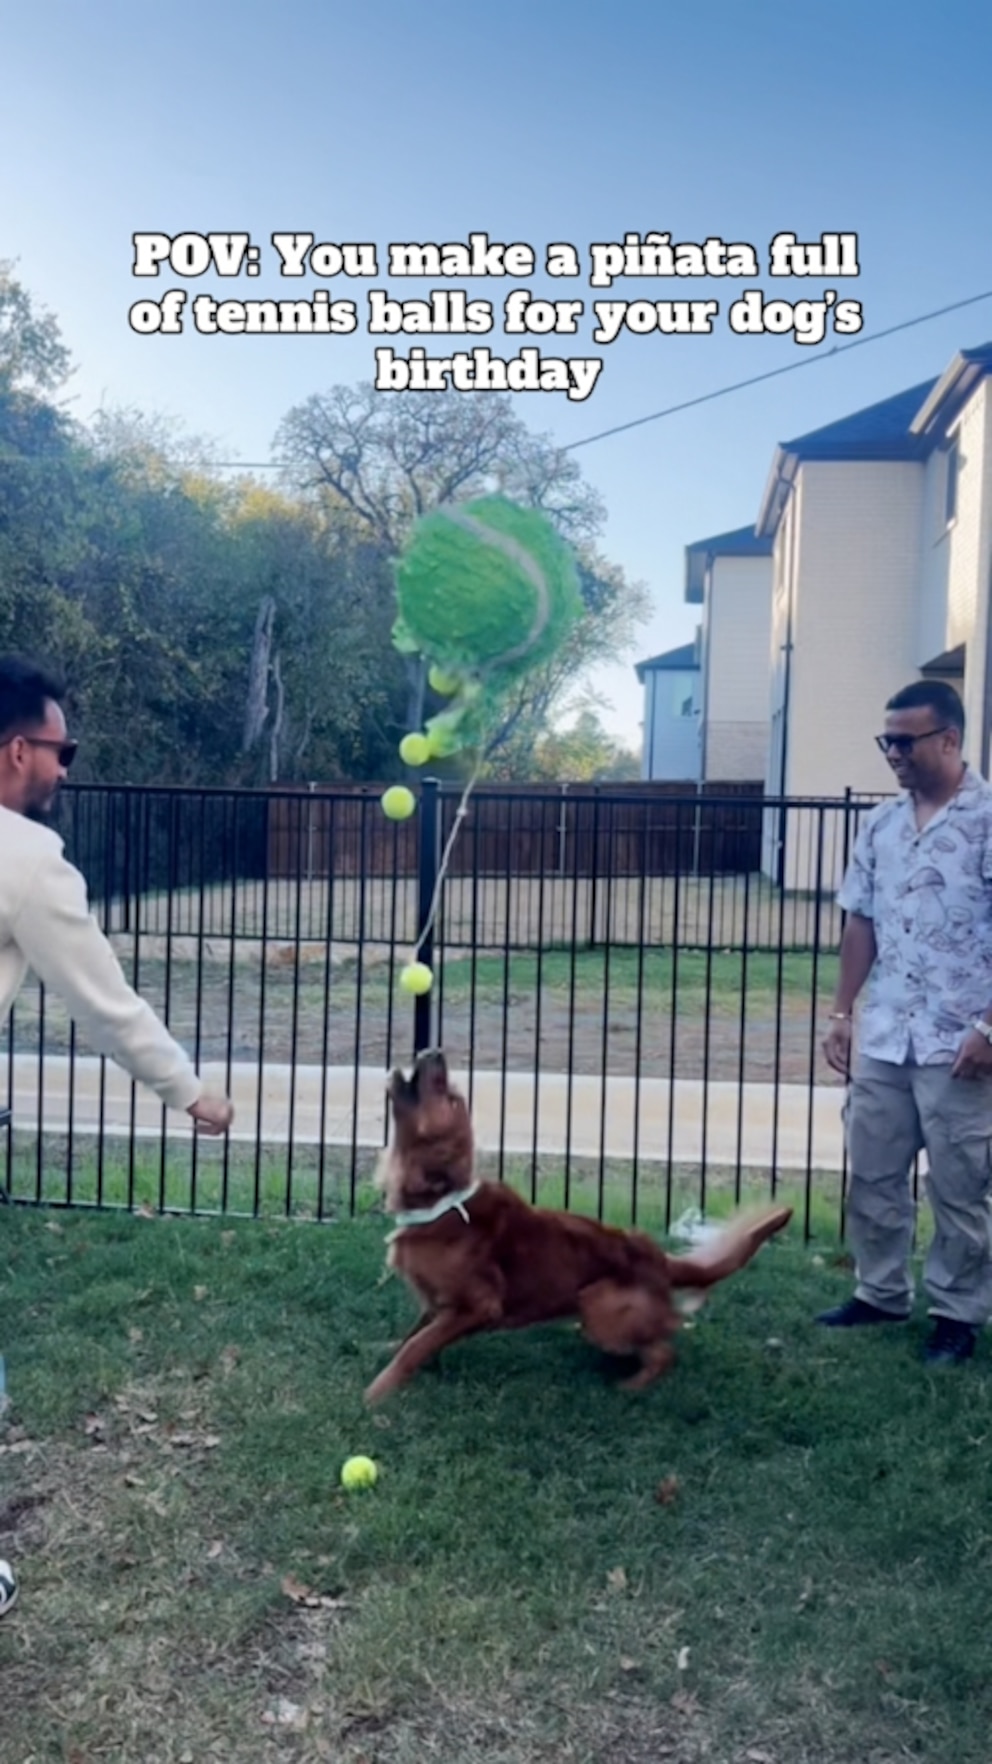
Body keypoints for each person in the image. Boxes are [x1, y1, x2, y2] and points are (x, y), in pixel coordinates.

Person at [0, 656, 234, 1617]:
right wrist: (189, 1090)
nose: (68, 770)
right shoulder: (22, 858)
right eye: (64, 751)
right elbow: (103, 1002)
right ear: (17, 751)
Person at [819, 679, 992, 1366]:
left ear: (949, 740)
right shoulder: (882, 826)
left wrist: (990, 1028)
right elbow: (861, 920)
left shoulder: (987, 818)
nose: (892, 752)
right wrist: (841, 1013)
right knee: (875, 1175)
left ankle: (957, 1314)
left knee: (960, 1184)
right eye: (886, 740)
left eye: (904, 740)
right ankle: (880, 1293)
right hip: (887, 1034)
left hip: (961, 1042)